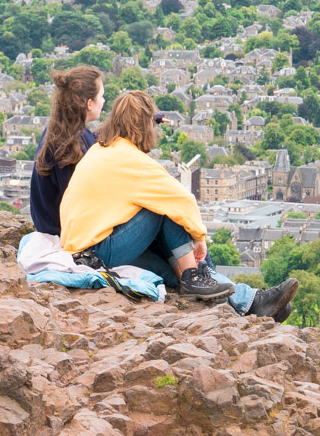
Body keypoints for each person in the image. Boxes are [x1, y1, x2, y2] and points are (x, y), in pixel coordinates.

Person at [61, 90, 297, 319]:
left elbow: (129, 121)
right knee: (164, 211)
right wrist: (199, 237)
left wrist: (147, 117)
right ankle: (198, 279)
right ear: (144, 127)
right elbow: (182, 199)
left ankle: (250, 304)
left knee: (171, 273)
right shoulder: (129, 158)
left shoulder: (104, 148)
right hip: (99, 249)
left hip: (82, 249)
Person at [29, 65, 105, 236]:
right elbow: (77, 209)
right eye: (101, 96)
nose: (104, 101)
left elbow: (101, 138)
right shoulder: (68, 146)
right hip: (63, 232)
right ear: (89, 104)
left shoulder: (64, 130)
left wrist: (143, 119)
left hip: (56, 226)